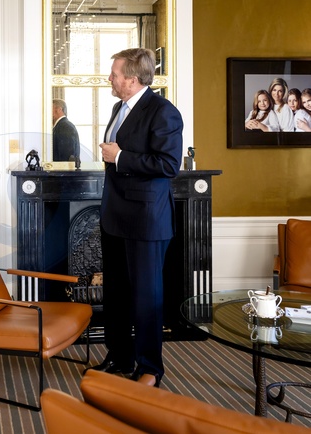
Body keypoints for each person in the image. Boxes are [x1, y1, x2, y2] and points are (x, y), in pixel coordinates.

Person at [88, 48, 183, 387]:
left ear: (131, 78)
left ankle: (150, 369)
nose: (109, 79)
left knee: (146, 297)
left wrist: (120, 157)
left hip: (146, 219)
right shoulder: (119, 108)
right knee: (115, 293)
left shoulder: (163, 111)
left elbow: (169, 165)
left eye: (114, 74)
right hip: (115, 216)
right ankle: (119, 356)